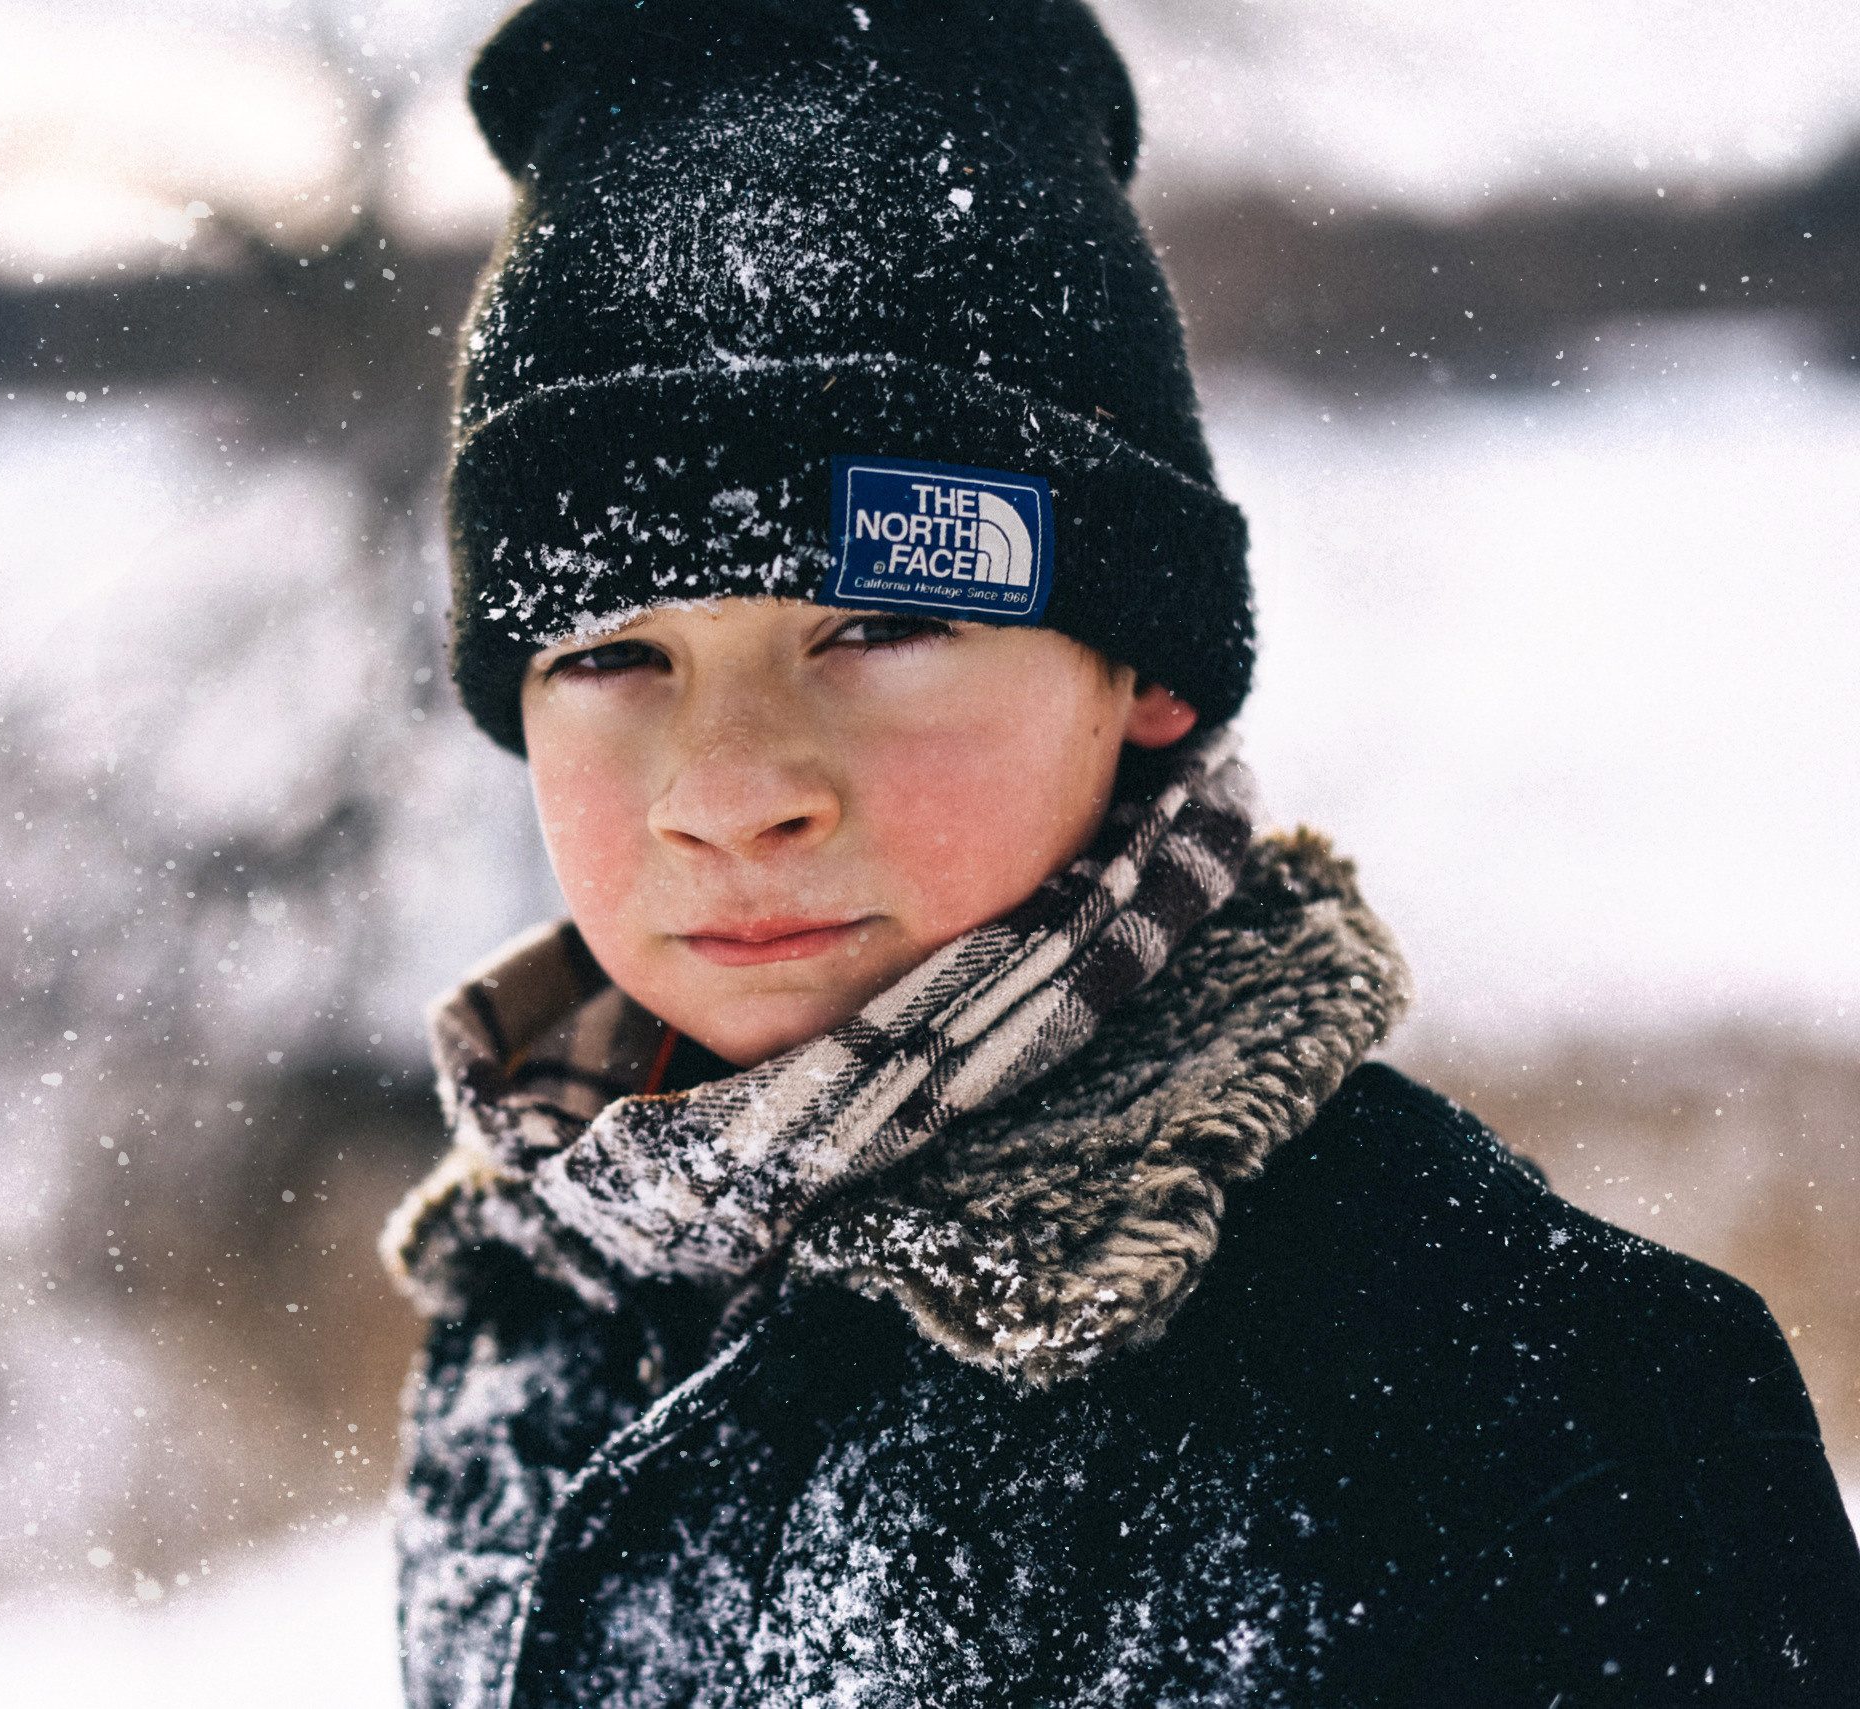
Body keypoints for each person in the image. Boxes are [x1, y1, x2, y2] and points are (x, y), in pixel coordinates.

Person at [376, 1, 1860, 1703]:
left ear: (1143, 667)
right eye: (609, 656)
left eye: (881, 623)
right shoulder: (542, 1296)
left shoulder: (1535, 1417)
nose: (725, 787)